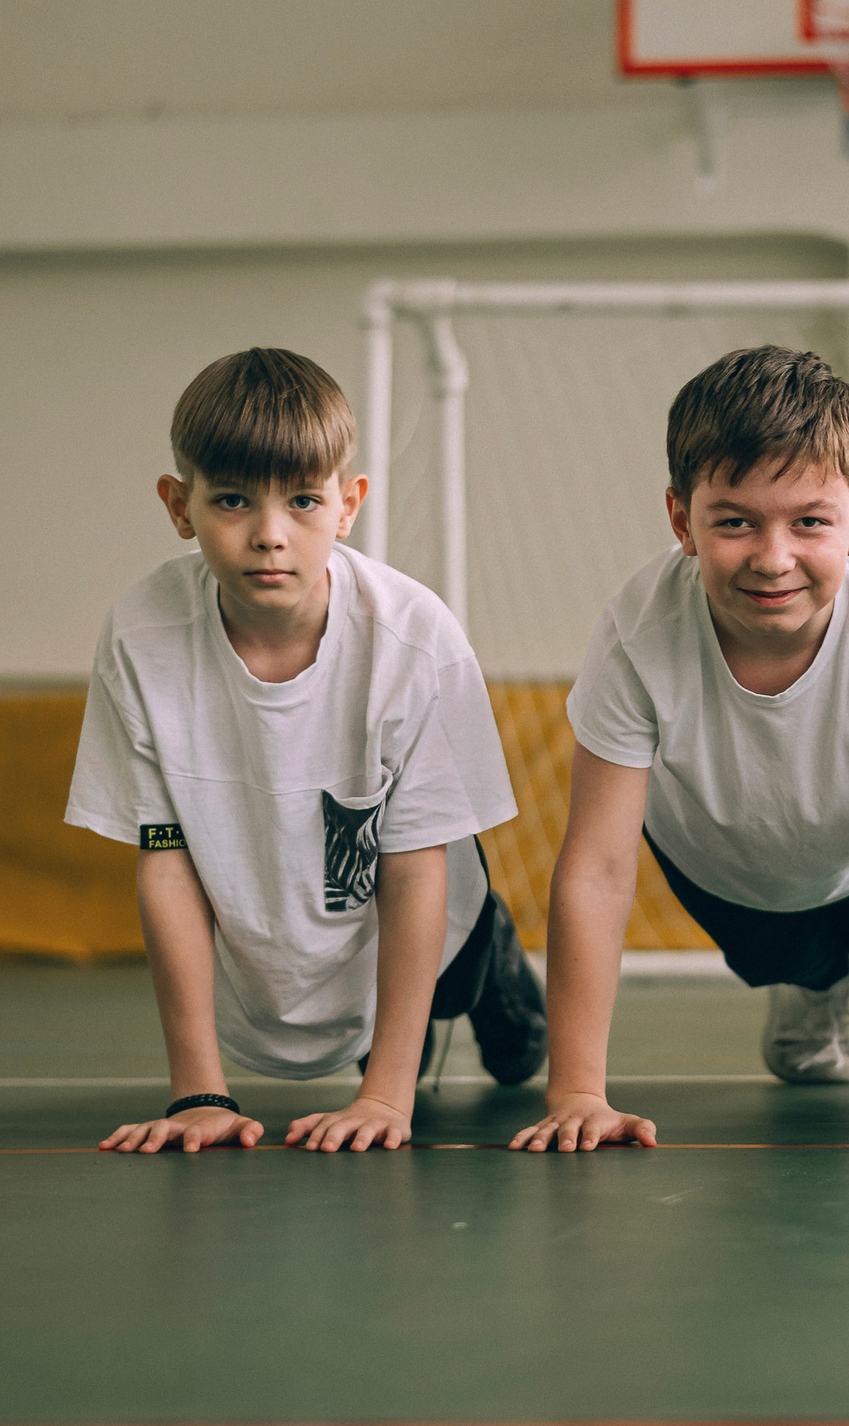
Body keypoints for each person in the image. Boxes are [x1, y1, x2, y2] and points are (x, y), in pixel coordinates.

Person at [508, 346, 849, 1155]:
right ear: (683, 520)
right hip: (729, 867)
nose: (773, 557)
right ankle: (809, 987)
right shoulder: (640, 633)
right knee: (792, 955)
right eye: (736, 521)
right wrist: (578, 1090)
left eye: (809, 521)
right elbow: (598, 867)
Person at [67, 348, 545, 1156]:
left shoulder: (414, 640)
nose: (268, 535)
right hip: (271, 910)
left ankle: (489, 961)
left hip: (421, 902)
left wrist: (388, 1096)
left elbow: (416, 865)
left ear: (347, 505)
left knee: (456, 986)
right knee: (346, 992)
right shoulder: (142, 637)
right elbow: (167, 857)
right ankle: (390, 1030)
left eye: (301, 500)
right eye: (231, 500)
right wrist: (199, 1093)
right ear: (178, 505)